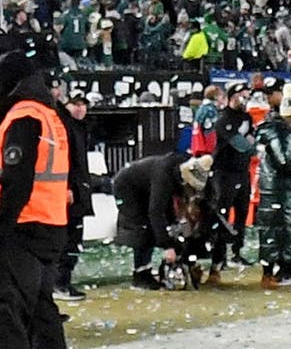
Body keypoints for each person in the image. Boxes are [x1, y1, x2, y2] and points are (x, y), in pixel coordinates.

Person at [0, 52, 71, 349]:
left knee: (9, 315)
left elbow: (17, 181)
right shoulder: (50, 115)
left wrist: (3, 226)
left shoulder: (23, 116)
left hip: (23, 229)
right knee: (43, 317)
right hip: (51, 225)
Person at [112, 153, 212, 290]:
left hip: (148, 186)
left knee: (170, 223)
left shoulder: (183, 170)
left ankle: (169, 267)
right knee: (143, 227)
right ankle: (141, 274)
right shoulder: (163, 177)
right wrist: (167, 246)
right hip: (127, 187)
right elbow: (155, 213)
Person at [254, 83, 291, 288]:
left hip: (278, 190)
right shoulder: (280, 134)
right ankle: (278, 271)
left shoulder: (279, 132)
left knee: (281, 230)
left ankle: (285, 270)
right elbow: (286, 163)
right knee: (283, 229)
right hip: (280, 190)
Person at [206, 82, 256, 285]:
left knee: (242, 213)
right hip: (224, 173)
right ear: (232, 96)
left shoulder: (247, 117)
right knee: (222, 214)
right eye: (241, 96)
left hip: (242, 173)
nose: (244, 100)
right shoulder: (223, 118)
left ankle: (237, 251)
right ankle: (219, 257)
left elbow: (251, 141)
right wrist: (249, 144)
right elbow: (243, 144)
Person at [53, 92, 91, 303]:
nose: (80, 108)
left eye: (83, 104)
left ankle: (61, 281)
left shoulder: (77, 128)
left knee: (73, 238)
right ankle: (59, 283)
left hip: (76, 190)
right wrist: (68, 187)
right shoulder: (65, 127)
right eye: (75, 104)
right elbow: (64, 160)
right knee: (69, 239)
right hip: (70, 193)